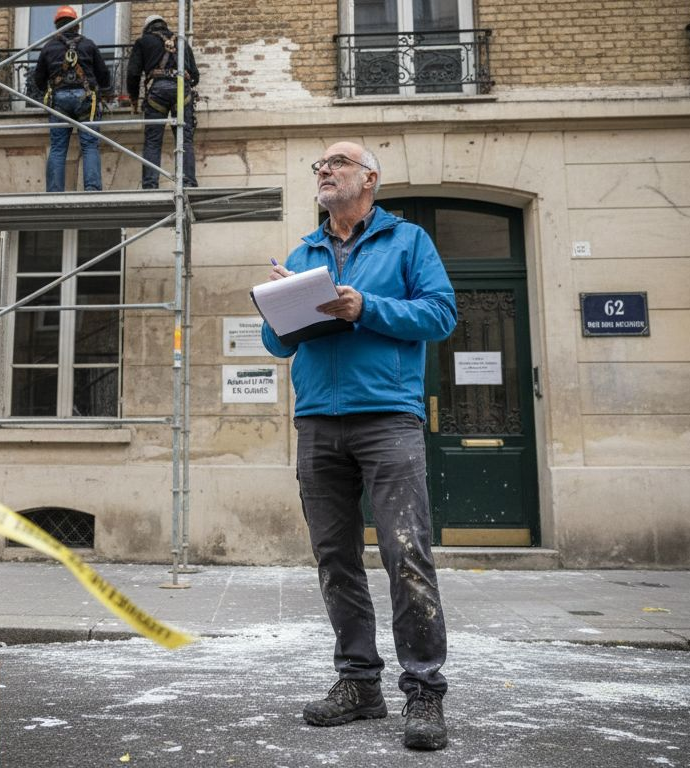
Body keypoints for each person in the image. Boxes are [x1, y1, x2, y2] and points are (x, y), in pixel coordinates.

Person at [260, 142, 457, 751]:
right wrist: (281, 308)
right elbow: (277, 347)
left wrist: (365, 306)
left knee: (407, 555)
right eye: (319, 165)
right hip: (317, 420)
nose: (324, 171)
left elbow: (440, 316)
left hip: (387, 420)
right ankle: (359, 684)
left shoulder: (407, 242)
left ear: (369, 178)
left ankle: (423, 691)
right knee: (335, 560)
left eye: (337, 163)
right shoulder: (304, 251)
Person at [30, 6, 113, 192]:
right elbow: (104, 75)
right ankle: (92, 189)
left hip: (59, 99)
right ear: (77, 26)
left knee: (58, 147)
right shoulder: (88, 45)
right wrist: (105, 92)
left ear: (57, 26)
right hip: (85, 97)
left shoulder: (49, 47)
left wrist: (49, 91)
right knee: (90, 145)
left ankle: (54, 191)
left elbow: (37, 79)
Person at [126, 14, 199, 189]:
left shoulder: (143, 42)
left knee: (153, 140)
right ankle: (188, 182)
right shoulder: (181, 41)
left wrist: (134, 99)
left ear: (147, 27)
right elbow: (195, 76)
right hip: (182, 91)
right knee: (184, 139)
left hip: (157, 91)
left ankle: (150, 184)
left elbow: (133, 74)